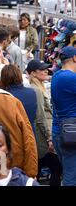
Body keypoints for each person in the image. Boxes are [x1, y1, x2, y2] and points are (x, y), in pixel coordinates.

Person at [27, 59, 62, 186]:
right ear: (33, 73)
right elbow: (40, 117)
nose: (46, 71)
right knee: (55, 167)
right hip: (43, 138)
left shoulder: (39, 88)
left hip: (43, 135)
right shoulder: (36, 90)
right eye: (41, 69)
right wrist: (49, 138)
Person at [51, 46, 76, 186]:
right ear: (75, 58)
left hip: (60, 132)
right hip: (71, 133)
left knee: (69, 174)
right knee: (71, 179)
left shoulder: (57, 76)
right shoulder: (71, 78)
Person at [0, 65, 39, 132]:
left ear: (3, 78)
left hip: (13, 135)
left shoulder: (4, 96)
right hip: (30, 132)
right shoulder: (32, 92)